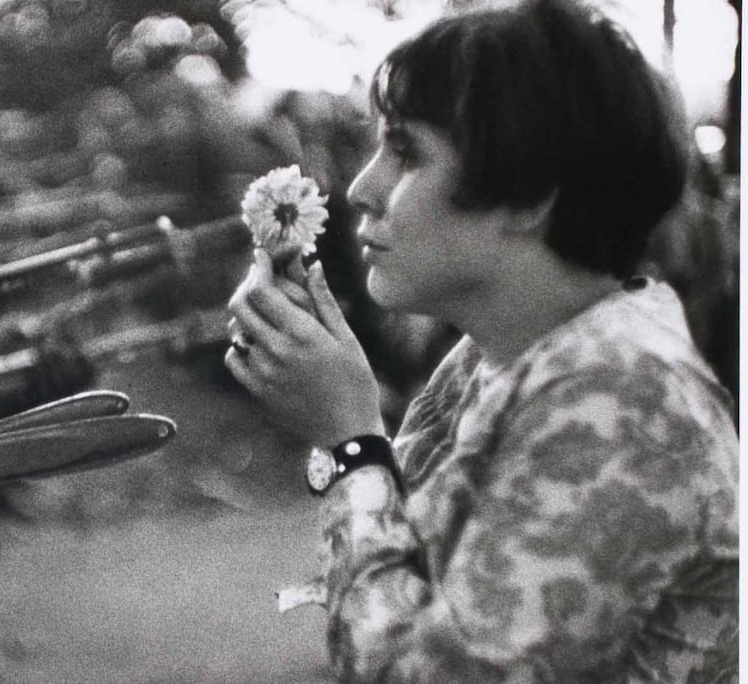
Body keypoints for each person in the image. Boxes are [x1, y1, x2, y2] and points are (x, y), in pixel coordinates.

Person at [224, 1, 738, 681]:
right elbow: (402, 577)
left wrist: (349, 441)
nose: (359, 187)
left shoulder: (626, 398)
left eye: (406, 152)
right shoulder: (502, 356)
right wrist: (340, 419)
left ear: (530, 195)